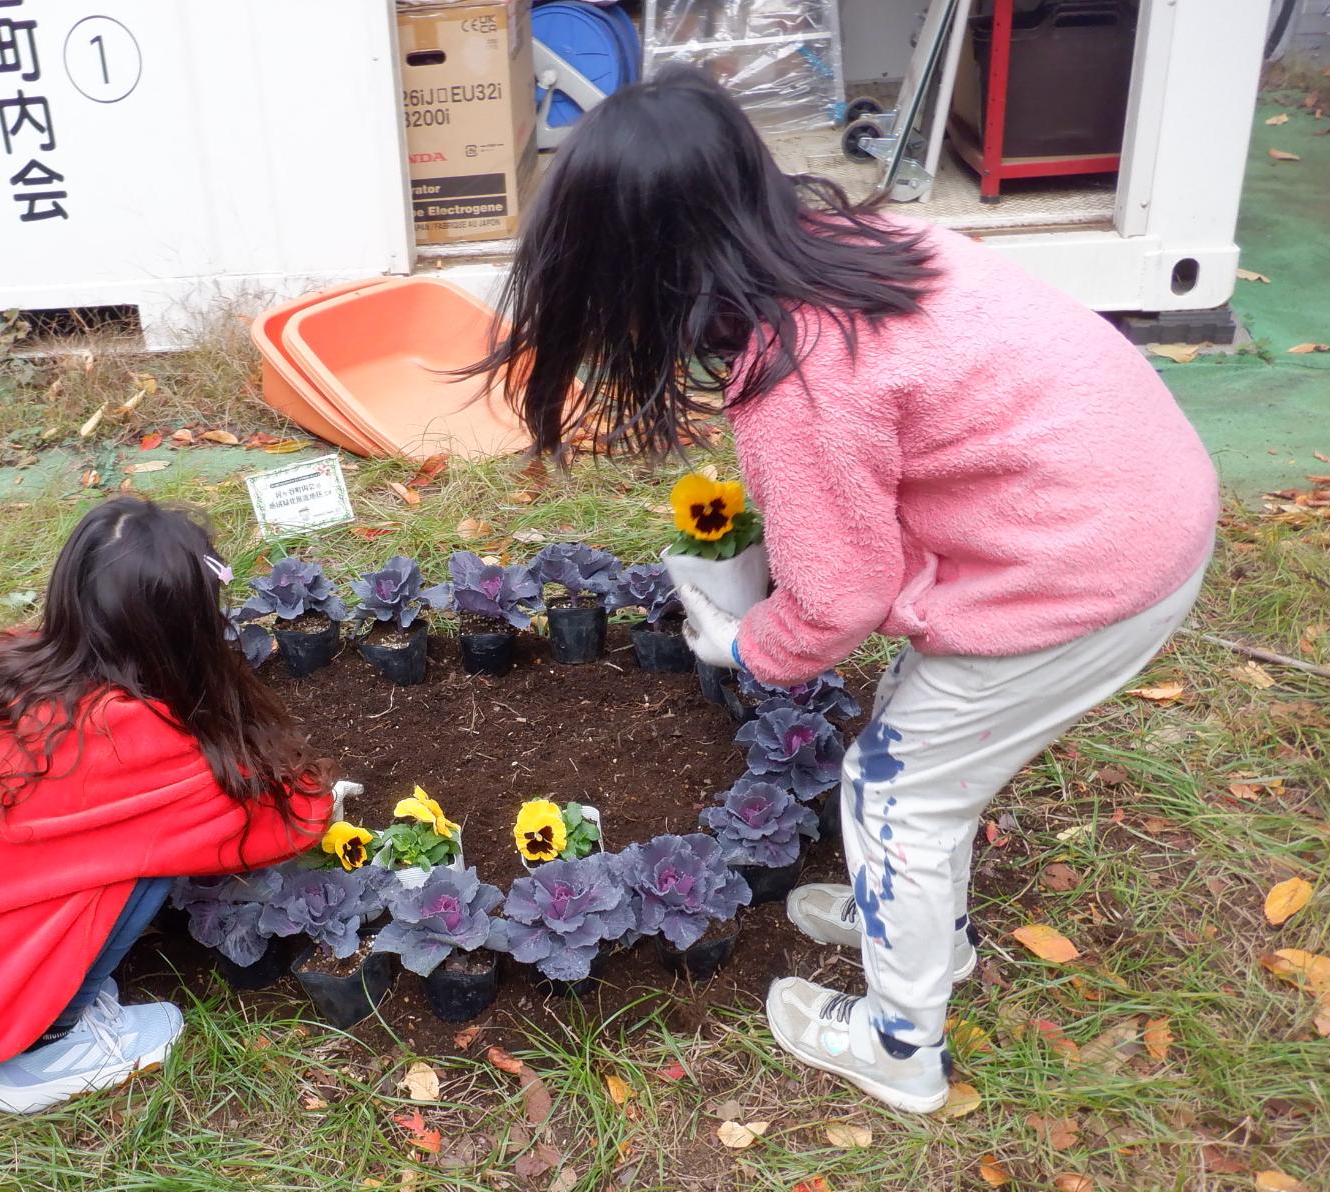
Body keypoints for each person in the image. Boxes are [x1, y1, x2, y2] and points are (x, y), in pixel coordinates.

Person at [479, 68, 1218, 1114]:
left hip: (1085, 569)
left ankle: (899, 1045)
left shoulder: (799, 374)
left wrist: (741, 647)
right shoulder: (871, 248)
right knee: (922, 765)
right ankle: (929, 934)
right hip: (1132, 502)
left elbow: (837, 604)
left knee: (894, 796)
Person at [0, 499, 330, 1114]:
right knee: (158, 846)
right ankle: (46, 1050)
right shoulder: (124, 734)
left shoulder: (4, 669)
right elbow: (291, 816)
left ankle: (23, 1020)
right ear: (185, 627)